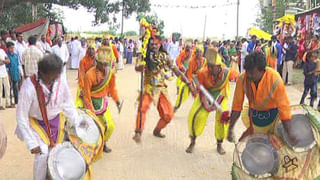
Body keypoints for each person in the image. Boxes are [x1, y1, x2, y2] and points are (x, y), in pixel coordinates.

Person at [16, 54, 83, 180]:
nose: (55, 79)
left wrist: (77, 122)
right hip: (36, 123)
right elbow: (21, 116)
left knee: (57, 152)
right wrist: (31, 142)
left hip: (56, 121)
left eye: (57, 75)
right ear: (41, 73)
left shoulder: (59, 81)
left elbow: (67, 102)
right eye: (52, 76)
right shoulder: (28, 87)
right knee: (42, 153)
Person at [227, 51, 296, 144]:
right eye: (247, 71)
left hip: (273, 118)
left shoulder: (275, 79)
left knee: (274, 149)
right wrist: (230, 128)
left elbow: (284, 109)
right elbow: (237, 106)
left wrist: (290, 134)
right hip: (254, 117)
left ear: (263, 70)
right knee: (255, 147)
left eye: (252, 72)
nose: (249, 75)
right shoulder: (242, 78)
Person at [132, 36, 188, 143]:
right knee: (142, 109)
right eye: (152, 44)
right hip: (148, 87)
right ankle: (138, 132)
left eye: (156, 44)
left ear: (160, 44)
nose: (154, 46)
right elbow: (137, 67)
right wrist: (140, 68)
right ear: (148, 45)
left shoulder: (165, 57)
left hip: (161, 88)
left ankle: (157, 130)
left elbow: (175, 70)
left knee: (169, 115)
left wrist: (187, 81)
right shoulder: (144, 56)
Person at [185, 48, 238, 154]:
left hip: (220, 95)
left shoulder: (228, 73)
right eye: (208, 65)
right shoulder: (202, 73)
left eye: (212, 67)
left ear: (219, 67)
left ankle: (219, 144)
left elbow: (239, 79)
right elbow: (200, 90)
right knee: (195, 115)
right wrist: (206, 104)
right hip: (205, 94)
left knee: (223, 117)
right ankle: (193, 141)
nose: (209, 68)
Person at [81, 45, 123, 153]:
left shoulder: (110, 73)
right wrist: (90, 112)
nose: (104, 66)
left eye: (106, 64)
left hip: (103, 102)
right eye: (102, 64)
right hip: (91, 103)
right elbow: (86, 95)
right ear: (96, 61)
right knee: (94, 128)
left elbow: (112, 89)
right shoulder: (89, 75)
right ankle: (92, 147)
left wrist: (117, 100)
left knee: (110, 126)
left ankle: (104, 143)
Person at [174, 44, 196, 112]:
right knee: (180, 83)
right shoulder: (182, 53)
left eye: (189, 48)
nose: (189, 49)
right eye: (187, 48)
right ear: (185, 48)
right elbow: (178, 61)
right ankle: (178, 90)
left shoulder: (192, 54)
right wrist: (181, 66)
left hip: (190, 72)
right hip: (183, 71)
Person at [0, 45, 12, 110]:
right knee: (0, 90)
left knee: (8, 88)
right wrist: (4, 61)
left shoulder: (2, 51)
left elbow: (8, 60)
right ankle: (0, 105)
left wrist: (3, 61)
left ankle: (8, 103)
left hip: (4, 72)